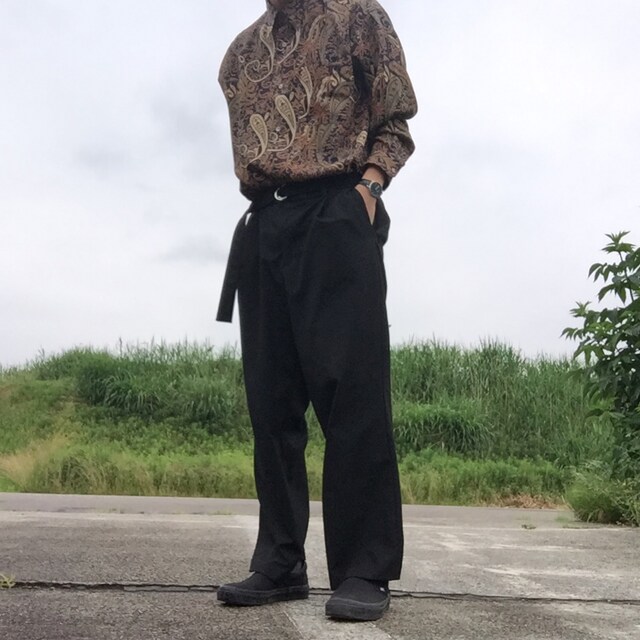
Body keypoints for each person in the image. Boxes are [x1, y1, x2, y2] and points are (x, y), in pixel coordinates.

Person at [215, 0, 417, 622]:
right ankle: (281, 561)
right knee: (271, 404)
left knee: (352, 395)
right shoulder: (239, 54)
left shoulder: (357, 14)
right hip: (265, 224)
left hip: (336, 213)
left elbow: (395, 116)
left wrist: (369, 188)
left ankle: (363, 567)